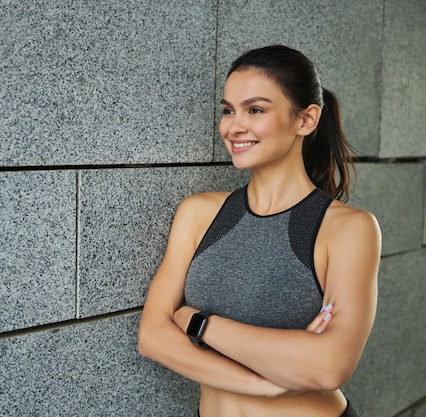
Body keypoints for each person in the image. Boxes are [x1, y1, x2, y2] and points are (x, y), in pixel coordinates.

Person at [137, 45, 381, 417]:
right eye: (228, 110)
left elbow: (330, 365)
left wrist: (198, 323)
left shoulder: (348, 229)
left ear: (306, 120)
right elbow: (152, 337)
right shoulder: (198, 213)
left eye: (255, 110)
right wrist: (264, 385)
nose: (234, 126)